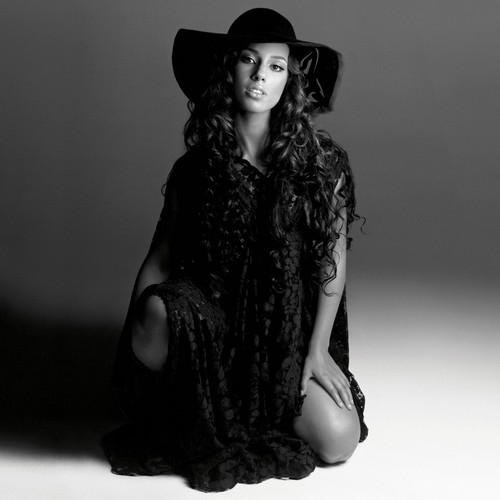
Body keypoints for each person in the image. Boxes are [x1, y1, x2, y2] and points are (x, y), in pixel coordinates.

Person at [102, 8, 368, 492]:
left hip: (286, 335)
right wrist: (133, 346)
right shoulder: (195, 169)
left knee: (339, 441)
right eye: (249, 59)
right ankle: (199, 395)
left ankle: (251, 408)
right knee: (156, 312)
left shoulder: (323, 165)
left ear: (290, 79)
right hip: (216, 328)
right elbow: (162, 257)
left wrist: (317, 349)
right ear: (229, 67)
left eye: (276, 65)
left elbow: (333, 260)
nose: (260, 75)